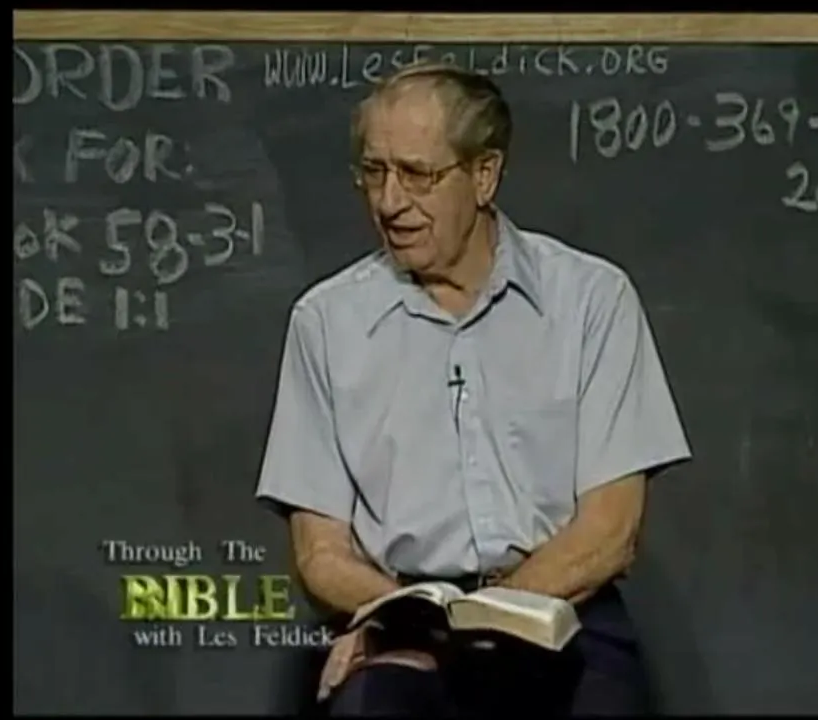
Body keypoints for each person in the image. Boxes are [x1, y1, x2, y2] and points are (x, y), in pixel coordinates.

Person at [254, 61, 691, 716]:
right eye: (373, 172)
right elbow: (321, 554)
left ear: (484, 175)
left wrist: (486, 619)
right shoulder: (325, 323)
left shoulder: (592, 301)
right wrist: (410, 623)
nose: (389, 202)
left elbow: (609, 532)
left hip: (560, 612)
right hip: (399, 619)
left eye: (417, 175)